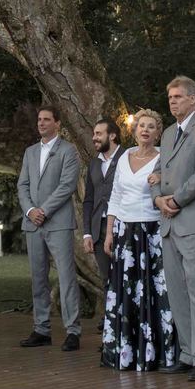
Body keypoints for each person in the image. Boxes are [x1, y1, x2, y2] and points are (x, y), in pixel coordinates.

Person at [100, 109, 178, 371]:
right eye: (141, 126)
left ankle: (158, 354)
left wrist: (163, 178)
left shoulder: (164, 157)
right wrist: (109, 232)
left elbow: (175, 185)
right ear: (134, 132)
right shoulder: (124, 157)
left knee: (155, 291)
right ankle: (126, 353)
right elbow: (115, 196)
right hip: (124, 232)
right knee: (126, 292)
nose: (145, 130)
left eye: (151, 126)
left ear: (158, 133)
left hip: (152, 231)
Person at [154, 76, 195, 381]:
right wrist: (158, 199)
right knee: (178, 293)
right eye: (170, 97)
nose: (173, 101)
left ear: (193, 99)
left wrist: (176, 199)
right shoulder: (169, 133)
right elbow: (158, 172)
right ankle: (187, 354)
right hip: (169, 223)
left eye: (178, 96)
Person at [17, 105, 82, 351]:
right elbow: (22, 185)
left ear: (57, 123)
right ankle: (41, 329)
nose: (41, 123)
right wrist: (30, 211)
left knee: (66, 277)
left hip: (58, 223)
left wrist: (43, 210)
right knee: (38, 278)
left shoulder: (68, 151)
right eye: (39, 119)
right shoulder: (30, 152)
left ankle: (73, 331)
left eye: (46, 119)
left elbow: (67, 186)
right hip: (32, 224)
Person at [83, 118, 120, 331]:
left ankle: (123, 321)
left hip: (123, 226)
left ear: (112, 135)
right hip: (98, 228)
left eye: (99, 133)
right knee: (106, 277)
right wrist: (87, 233)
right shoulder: (94, 164)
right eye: (94, 133)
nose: (94, 137)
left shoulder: (127, 157)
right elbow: (88, 200)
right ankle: (110, 321)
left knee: (124, 275)